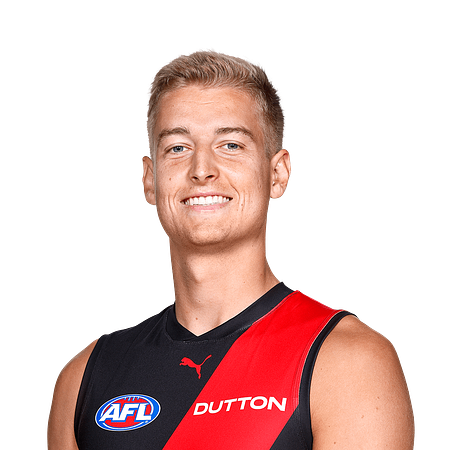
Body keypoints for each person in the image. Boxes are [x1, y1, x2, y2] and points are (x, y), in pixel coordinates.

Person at [47, 48, 415, 449]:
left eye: (231, 145)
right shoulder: (84, 378)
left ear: (277, 174)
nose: (201, 169)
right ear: (149, 180)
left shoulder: (348, 361)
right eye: (178, 148)